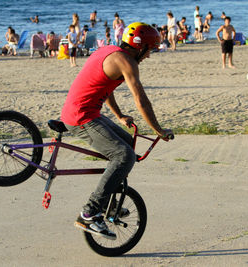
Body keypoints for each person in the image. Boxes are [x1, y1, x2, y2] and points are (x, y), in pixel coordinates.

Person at [61, 22, 173, 239]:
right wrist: (158, 130)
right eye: (150, 50)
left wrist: (120, 116)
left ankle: (110, 204)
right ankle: (90, 212)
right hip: (81, 117)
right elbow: (141, 100)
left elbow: (105, 86)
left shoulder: (110, 51)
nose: (149, 56)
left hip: (86, 112)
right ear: (140, 47)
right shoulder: (127, 62)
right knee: (123, 156)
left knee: (126, 140)